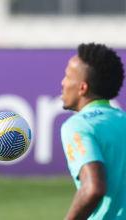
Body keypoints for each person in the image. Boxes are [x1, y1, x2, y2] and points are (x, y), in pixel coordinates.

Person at [60, 43, 126, 220]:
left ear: (82, 88)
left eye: (67, 76)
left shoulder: (78, 125)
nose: (63, 82)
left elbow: (92, 189)